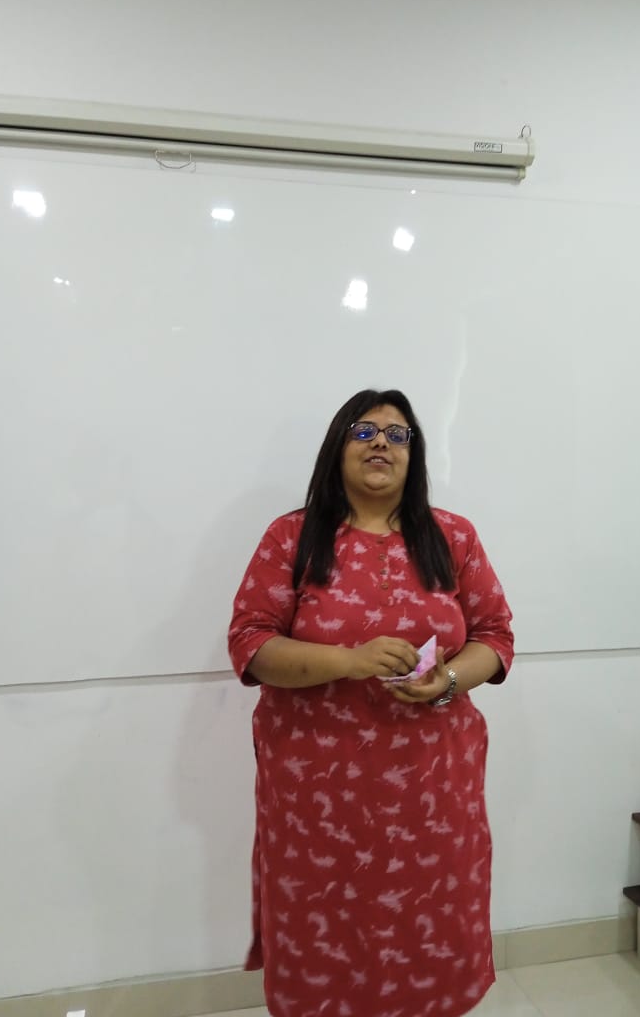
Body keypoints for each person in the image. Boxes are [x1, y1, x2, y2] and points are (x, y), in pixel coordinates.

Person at [228, 388, 514, 1017]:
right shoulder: (293, 536)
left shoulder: (453, 537)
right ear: (338, 447)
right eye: (364, 431)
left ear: (414, 455)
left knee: (430, 923)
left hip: (432, 791)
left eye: (397, 434)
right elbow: (250, 642)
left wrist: (446, 681)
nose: (381, 442)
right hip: (319, 801)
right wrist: (349, 661)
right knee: (323, 932)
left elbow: (496, 637)